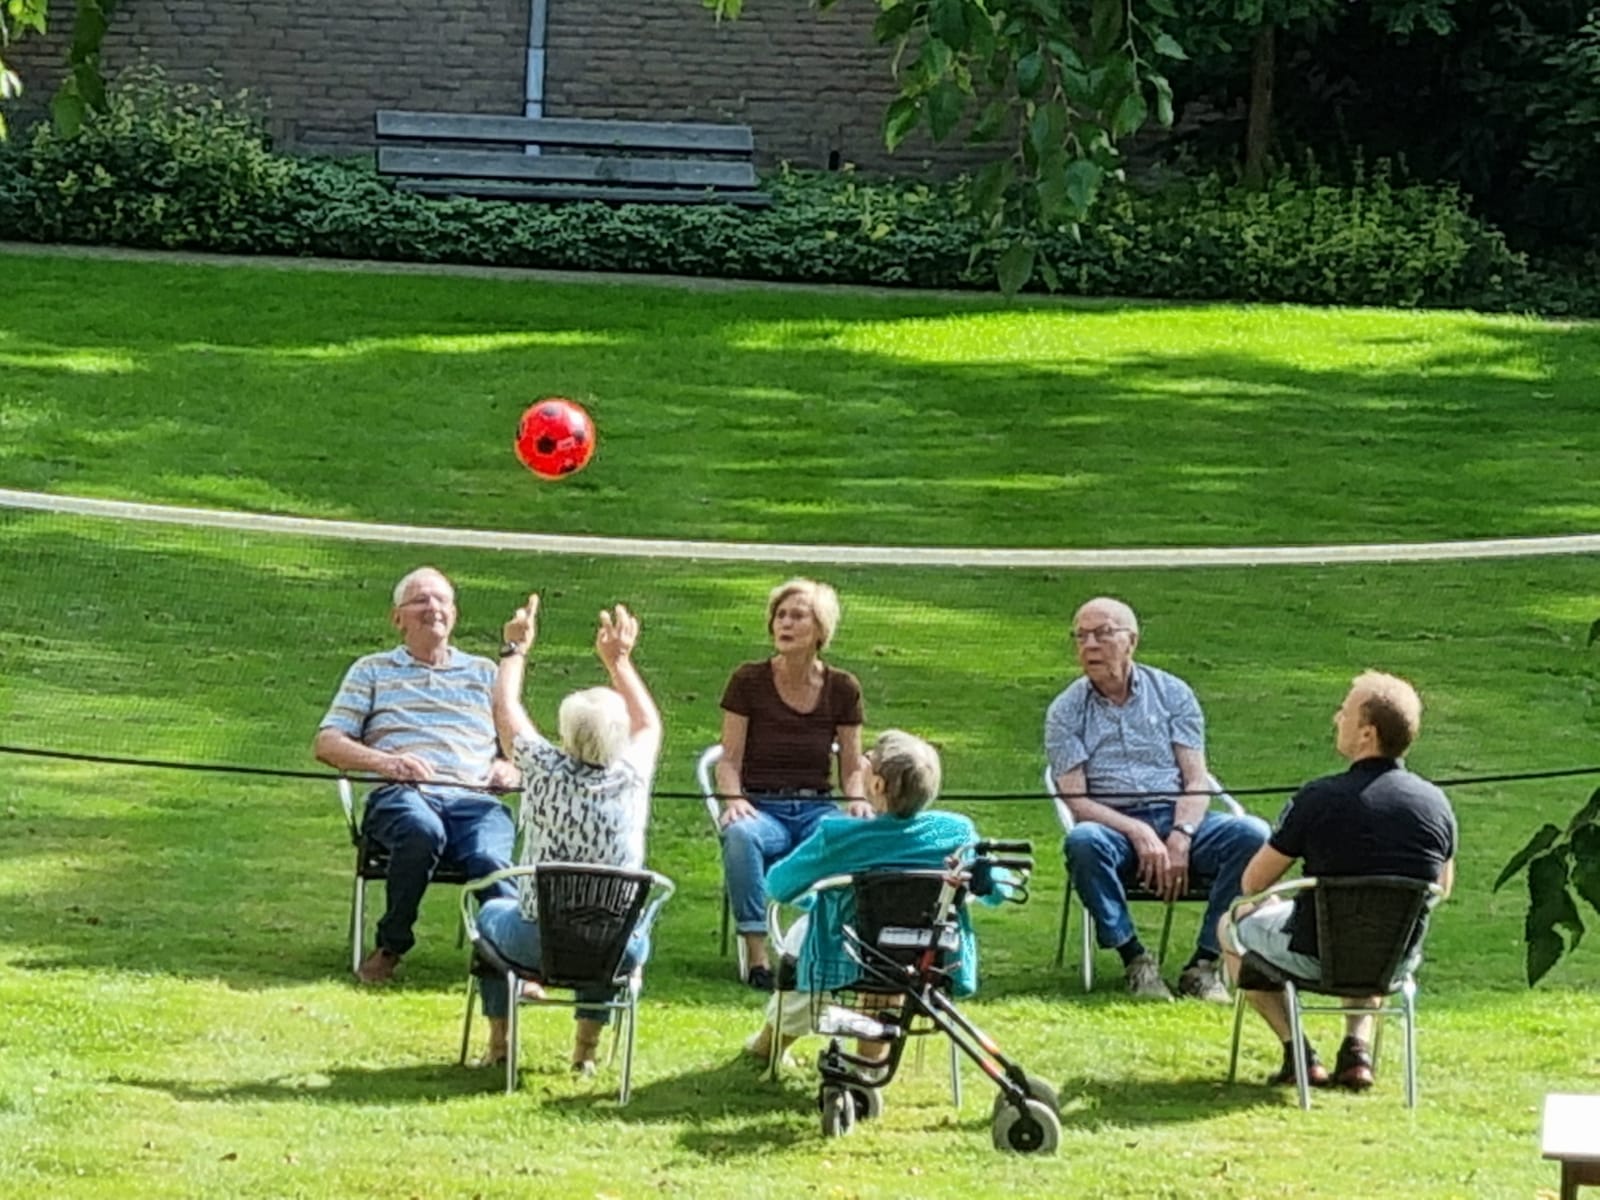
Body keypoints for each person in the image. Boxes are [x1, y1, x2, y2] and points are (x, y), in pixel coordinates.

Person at [1220, 671, 1457, 1090]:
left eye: (1345, 712)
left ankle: (1298, 1052)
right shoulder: (1436, 805)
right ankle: (1356, 1051)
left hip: (1314, 954)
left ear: (1367, 734)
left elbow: (1253, 882)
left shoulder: (1319, 798)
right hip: (1393, 959)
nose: (1336, 719)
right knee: (1371, 927)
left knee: (1231, 924)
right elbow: (1443, 887)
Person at [1044, 596, 1269, 1002]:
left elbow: (1195, 779)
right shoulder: (1065, 710)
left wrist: (1182, 834)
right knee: (1082, 841)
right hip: (1112, 825)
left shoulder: (1173, 694)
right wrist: (1137, 831)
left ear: (1131, 640)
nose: (1090, 645)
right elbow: (1076, 800)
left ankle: (1204, 965)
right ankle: (1135, 960)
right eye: (1081, 636)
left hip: (1178, 814)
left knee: (1253, 834)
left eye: (1102, 634)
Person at [474, 595, 662, 1074]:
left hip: (537, 941)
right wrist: (619, 661)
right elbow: (650, 723)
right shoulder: (633, 773)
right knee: (607, 933)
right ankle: (585, 1054)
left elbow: (505, 706)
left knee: (490, 913)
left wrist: (515, 648)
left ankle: (499, 1045)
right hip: (615, 946)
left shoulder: (540, 767)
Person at [314, 566, 519, 984]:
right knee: (421, 830)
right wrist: (387, 764)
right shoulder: (371, 670)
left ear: (455, 614)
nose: (433, 608)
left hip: (475, 800)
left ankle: (514, 960)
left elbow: (518, 749)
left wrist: (508, 767)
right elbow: (327, 743)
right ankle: (391, 946)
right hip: (402, 796)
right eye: (421, 600)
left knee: (489, 859)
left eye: (442, 600)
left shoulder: (485, 673)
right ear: (397, 618)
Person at [744, 729, 983, 1064]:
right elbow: (993, 888)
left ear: (878, 785)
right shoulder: (958, 832)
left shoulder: (841, 835)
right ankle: (868, 1066)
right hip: (931, 955)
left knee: (809, 940)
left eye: (868, 759)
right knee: (883, 957)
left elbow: (779, 885)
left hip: (850, 952)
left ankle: (771, 1045)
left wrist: (821, 898)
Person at [717, 578, 870, 990]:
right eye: (780, 616)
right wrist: (734, 800)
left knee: (860, 834)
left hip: (816, 810)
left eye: (797, 616)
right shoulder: (747, 681)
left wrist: (857, 800)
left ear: (820, 629)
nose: (785, 623)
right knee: (740, 834)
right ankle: (758, 957)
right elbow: (727, 761)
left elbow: (852, 766)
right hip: (762, 808)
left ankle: (839, 950)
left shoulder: (843, 688)